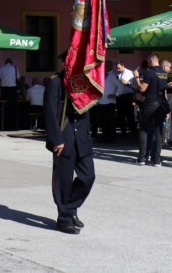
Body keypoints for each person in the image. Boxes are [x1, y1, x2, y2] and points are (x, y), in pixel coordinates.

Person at [44, 59, 95, 234]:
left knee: (88, 176)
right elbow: (50, 112)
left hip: (82, 137)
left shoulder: (84, 81)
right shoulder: (55, 81)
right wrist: (56, 138)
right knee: (63, 181)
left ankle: (69, 208)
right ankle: (64, 219)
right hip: (64, 137)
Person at [133, 54, 168, 166]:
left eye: (148, 62)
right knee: (158, 132)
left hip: (150, 104)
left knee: (143, 130)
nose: (148, 64)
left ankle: (142, 158)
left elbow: (142, 88)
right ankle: (156, 159)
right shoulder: (164, 73)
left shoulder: (150, 72)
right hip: (161, 105)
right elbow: (164, 92)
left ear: (151, 61)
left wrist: (137, 77)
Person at [95, 60, 118, 142]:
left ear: (111, 66)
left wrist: (115, 94)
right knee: (103, 120)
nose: (106, 67)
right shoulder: (101, 75)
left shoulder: (114, 75)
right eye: (105, 65)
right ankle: (105, 137)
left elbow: (120, 86)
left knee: (110, 120)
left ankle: (112, 138)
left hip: (110, 102)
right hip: (101, 101)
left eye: (108, 65)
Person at [0, 57, 20, 131]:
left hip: (4, 90)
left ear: (5, 62)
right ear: (11, 62)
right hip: (13, 89)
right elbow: (18, 79)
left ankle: (4, 125)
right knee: (13, 108)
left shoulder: (2, 68)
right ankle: (13, 126)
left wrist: (0, 87)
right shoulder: (15, 68)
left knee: (5, 107)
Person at [113, 62, 135, 137]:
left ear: (123, 66)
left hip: (127, 96)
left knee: (129, 115)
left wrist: (127, 83)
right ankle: (123, 133)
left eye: (119, 68)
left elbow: (133, 85)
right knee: (121, 116)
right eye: (117, 68)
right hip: (120, 97)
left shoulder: (129, 73)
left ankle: (133, 133)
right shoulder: (119, 74)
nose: (118, 69)